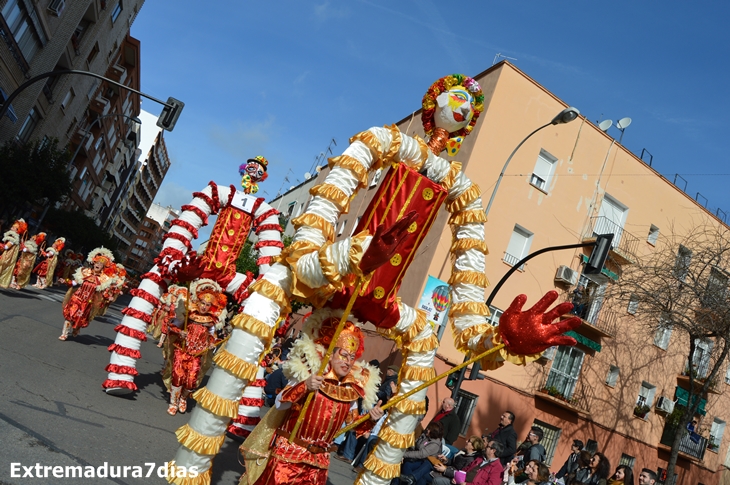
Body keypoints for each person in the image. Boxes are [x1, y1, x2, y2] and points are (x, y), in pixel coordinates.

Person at [243, 313, 384, 485]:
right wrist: (304, 387)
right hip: (289, 457)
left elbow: (353, 425)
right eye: (343, 355)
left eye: (351, 357)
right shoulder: (310, 375)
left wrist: (371, 419)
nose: (347, 361)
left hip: (319, 463)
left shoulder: (351, 390)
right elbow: (279, 403)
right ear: (330, 356)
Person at [166, 279, 227, 415]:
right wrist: (180, 332)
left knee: (191, 380)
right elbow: (172, 325)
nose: (204, 307)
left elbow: (212, 335)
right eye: (202, 303)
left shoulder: (211, 321)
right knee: (177, 376)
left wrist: (211, 343)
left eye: (207, 304)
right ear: (198, 302)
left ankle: (183, 398)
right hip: (182, 349)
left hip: (197, 354)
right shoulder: (188, 315)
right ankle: (173, 403)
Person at [58, 247, 116, 340]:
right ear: (93, 263)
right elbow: (75, 282)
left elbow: (103, 291)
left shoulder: (103, 279)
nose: (98, 265)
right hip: (76, 298)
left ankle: (76, 329)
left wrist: (108, 297)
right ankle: (64, 334)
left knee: (79, 320)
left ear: (103, 267)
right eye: (97, 263)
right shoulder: (85, 272)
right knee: (70, 316)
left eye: (101, 264)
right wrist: (65, 281)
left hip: (87, 303)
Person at [0, 219, 28, 288]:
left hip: (7, 257)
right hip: (7, 257)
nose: (11, 228)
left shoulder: (14, 238)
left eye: (13, 227)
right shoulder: (15, 237)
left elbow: (6, 247)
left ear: (16, 230)